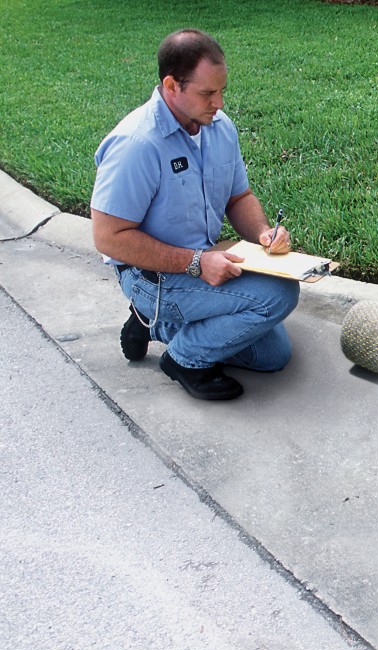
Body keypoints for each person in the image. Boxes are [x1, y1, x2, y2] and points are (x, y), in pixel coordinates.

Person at [91, 29, 300, 400]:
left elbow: (239, 197)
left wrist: (263, 232)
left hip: (202, 260)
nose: (219, 102)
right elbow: (108, 238)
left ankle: (154, 325)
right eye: (207, 93)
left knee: (272, 354)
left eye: (222, 90)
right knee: (279, 295)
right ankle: (184, 360)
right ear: (172, 86)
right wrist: (196, 263)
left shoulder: (219, 127)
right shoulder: (136, 144)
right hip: (151, 276)